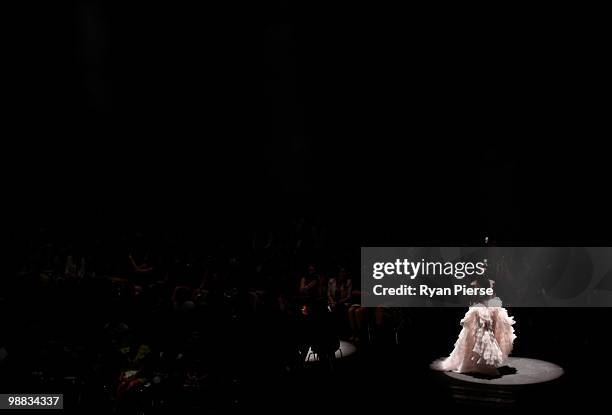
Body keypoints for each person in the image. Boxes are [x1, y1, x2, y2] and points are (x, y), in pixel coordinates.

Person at [431, 280, 516, 374]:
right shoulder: (475, 284)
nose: (483, 269)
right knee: (483, 335)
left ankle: (484, 363)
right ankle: (484, 364)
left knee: (487, 334)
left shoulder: (492, 282)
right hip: (480, 309)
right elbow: (473, 298)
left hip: (491, 307)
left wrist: (491, 302)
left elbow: (492, 295)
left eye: (485, 267)